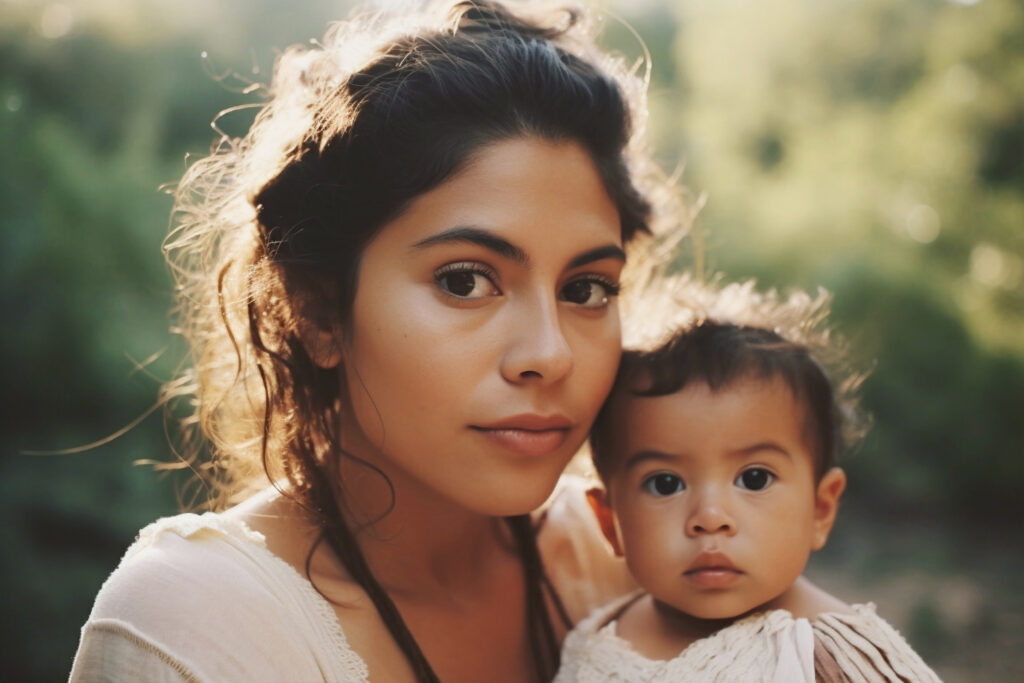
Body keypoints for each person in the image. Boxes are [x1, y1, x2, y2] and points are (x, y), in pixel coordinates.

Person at [68, 1, 675, 681]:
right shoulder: (198, 624)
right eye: (466, 281)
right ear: (320, 311)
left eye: (587, 288)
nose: (550, 353)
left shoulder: (639, 555)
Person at [555, 282, 943, 682]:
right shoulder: (598, 639)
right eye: (666, 484)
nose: (710, 518)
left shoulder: (833, 656)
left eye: (754, 479)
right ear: (609, 521)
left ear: (821, 509)